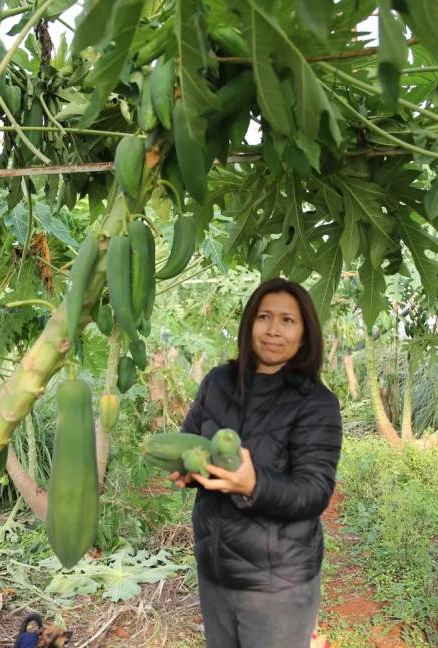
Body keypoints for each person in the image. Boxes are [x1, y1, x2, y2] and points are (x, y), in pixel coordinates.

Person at [170, 277, 343, 648]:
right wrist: (189, 472)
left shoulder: (316, 402)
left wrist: (254, 485)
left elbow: (314, 492)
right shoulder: (217, 382)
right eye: (264, 317)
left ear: (304, 334)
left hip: (277, 586)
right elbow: (193, 444)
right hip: (215, 567)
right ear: (249, 323)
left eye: (287, 320)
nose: (273, 330)